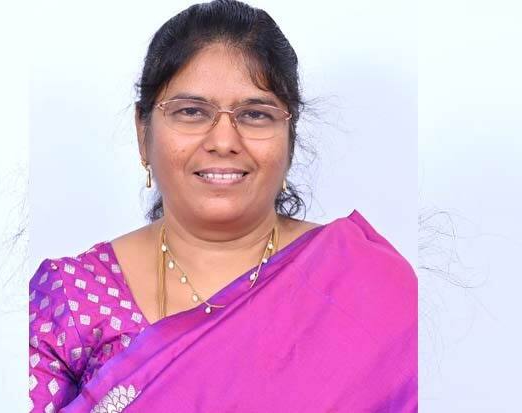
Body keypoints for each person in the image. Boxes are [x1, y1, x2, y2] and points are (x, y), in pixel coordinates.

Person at [28, 1, 417, 411]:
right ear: (144, 132)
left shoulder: (366, 285)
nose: (224, 141)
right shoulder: (72, 299)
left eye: (255, 115)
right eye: (191, 112)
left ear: (289, 137)